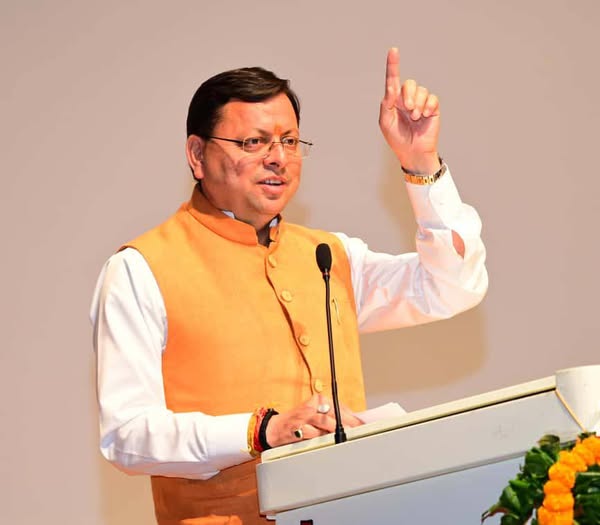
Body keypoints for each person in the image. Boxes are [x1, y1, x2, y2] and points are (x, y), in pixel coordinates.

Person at [90, 48, 488, 524]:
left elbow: (453, 285)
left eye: (290, 141)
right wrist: (261, 431)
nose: (278, 159)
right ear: (197, 155)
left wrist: (420, 162)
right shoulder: (142, 269)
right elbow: (127, 435)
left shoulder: (328, 255)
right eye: (254, 142)